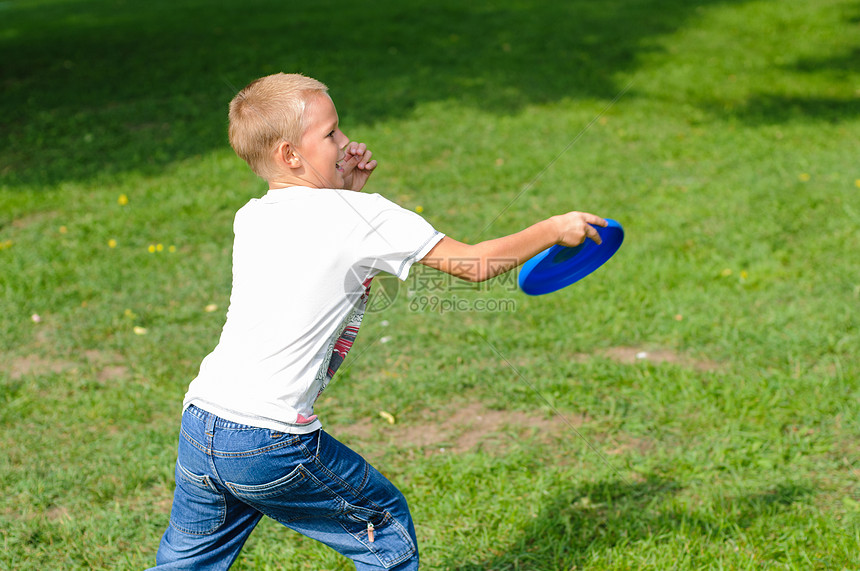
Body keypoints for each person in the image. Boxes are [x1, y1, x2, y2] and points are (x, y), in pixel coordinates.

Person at [151, 72, 606, 570]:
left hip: (202, 423)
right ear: (289, 154)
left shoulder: (252, 217)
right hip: (269, 438)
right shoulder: (363, 216)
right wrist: (555, 227)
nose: (347, 143)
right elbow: (476, 265)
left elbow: (323, 242)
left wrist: (341, 188)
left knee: (186, 562)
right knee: (384, 528)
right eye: (330, 135)